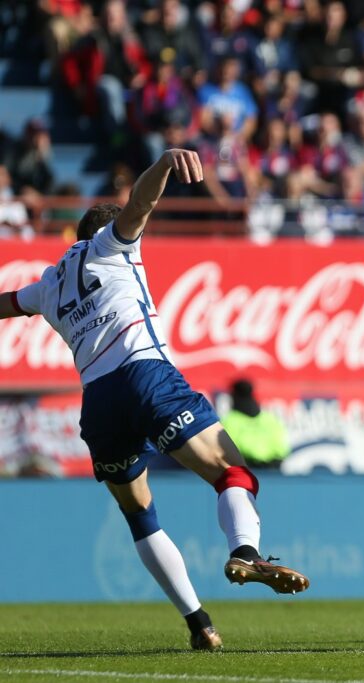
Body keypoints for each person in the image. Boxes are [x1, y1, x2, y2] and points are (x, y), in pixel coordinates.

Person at [0, 149, 310, 652]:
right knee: (232, 472)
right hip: (144, 373)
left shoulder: (48, 285)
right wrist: (165, 163)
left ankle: (199, 623)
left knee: (140, 515)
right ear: (106, 231)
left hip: (97, 404)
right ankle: (246, 552)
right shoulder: (111, 245)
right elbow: (139, 205)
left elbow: (5, 304)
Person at [221, 379, 291, 469]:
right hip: (274, 471)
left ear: (233, 396)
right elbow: (282, 448)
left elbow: (228, 450)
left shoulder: (229, 421)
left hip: (246, 471)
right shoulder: (270, 419)